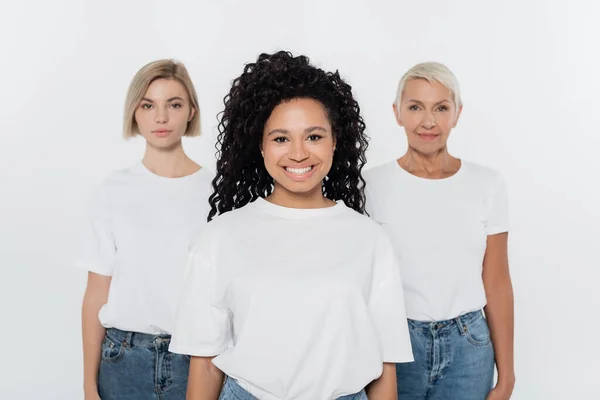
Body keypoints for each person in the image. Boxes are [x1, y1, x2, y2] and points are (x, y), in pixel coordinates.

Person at [169, 51, 414, 400]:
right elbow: (206, 363)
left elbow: (385, 363)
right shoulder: (221, 236)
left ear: (334, 141)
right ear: (261, 147)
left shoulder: (370, 239)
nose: (298, 153)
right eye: (281, 138)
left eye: (313, 136)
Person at [364, 62, 515, 400]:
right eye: (415, 107)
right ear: (397, 112)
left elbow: (497, 282)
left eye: (441, 108)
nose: (428, 121)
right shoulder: (372, 186)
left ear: (457, 113)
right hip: (395, 343)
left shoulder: (487, 184)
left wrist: (506, 377)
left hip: (469, 347)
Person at [77, 59, 213, 400]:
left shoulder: (217, 192)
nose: (161, 117)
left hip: (195, 360)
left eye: (174, 104)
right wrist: (88, 385)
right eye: (148, 105)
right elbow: (97, 292)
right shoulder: (111, 191)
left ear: (191, 111)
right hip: (122, 360)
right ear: (135, 113)